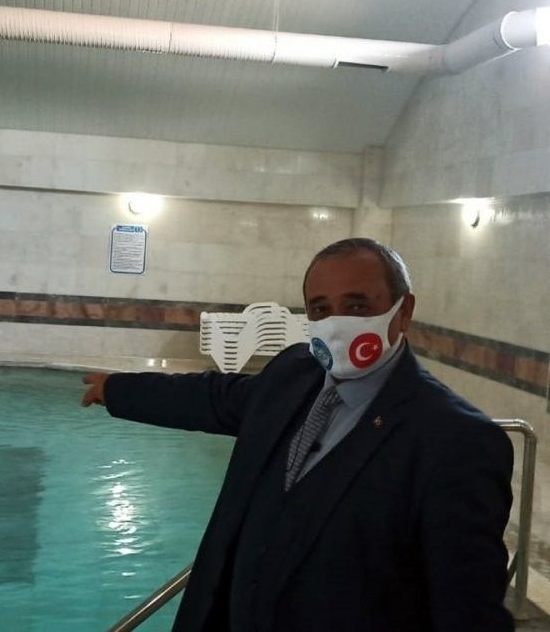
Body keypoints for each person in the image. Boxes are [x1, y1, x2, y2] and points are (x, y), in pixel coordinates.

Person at [81, 238, 514, 632]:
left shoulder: (456, 441)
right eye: (320, 309)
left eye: (357, 305)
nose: (336, 323)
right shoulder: (293, 374)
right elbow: (214, 398)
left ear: (403, 312)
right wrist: (118, 390)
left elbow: (469, 611)